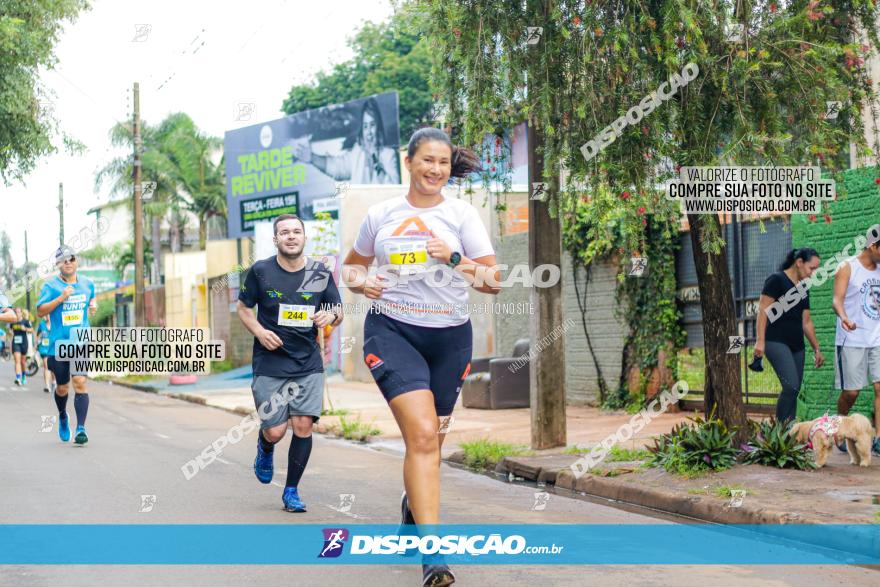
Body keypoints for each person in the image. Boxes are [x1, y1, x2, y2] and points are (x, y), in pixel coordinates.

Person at [342, 127, 500, 587]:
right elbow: (352, 266)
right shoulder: (382, 214)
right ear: (407, 161)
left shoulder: (461, 215)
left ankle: (414, 507)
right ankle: (434, 556)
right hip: (392, 331)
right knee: (425, 437)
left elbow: (492, 282)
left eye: (444, 163)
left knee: (432, 442)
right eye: (427, 160)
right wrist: (360, 283)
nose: (435, 170)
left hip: (449, 338)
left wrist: (454, 259)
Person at [237, 214, 342, 512]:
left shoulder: (318, 272)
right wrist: (259, 331)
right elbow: (243, 307)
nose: (292, 236)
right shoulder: (261, 271)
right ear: (276, 239)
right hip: (270, 363)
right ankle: (265, 445)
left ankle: (291, 491)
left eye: (297, 231)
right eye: (285, 232)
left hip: (307, 362)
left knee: (303, 425)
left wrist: (330, 316)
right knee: (276, 431)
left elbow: (337, 309)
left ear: (304, 237)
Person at [754, 248, 824, 424]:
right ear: (799, 262)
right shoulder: (776, 280)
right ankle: (779, 432)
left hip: (797, 345)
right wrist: (760, 341)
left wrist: (817, 348)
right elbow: (762, 312)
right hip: (775, 340)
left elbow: (806, 322)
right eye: (812, 268)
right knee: (791, 385)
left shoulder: (803, 288)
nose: (813, 273)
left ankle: (789, 436)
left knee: (795, 389)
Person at [37, 246, 97, 445]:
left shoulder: (88, 284)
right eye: (63, 260)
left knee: (80, 382)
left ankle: (81, 428)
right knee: (62, 388)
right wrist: (61, 298)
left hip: (79, 342)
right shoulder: (50, 286)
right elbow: (40, 311)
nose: (68, 262)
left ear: (76, 261)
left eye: (71, 259)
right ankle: (63, 415)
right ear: (58, 264)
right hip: (58, 346)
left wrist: (93, 305)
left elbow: (91, 298)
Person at [832, 229, 880, 455]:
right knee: (851, 392)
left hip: (877, 338)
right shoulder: (847, 267)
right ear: (873, 246)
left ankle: (878, 438)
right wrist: (844, 318)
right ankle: (839, 428)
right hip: (852, 338)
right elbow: (836, 300)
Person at [291, 97, 401, 184]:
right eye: (365, 127)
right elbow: (338, 168)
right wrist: (312, 158)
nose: (369, 132)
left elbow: (394, 187)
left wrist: (375, 160)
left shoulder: (388, 154)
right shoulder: (357, 151)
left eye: (372, 125)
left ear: (379, 127)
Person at [10, 307, 34, 386]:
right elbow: (10, 331)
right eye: (16, 312)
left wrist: (26, 329)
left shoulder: (26, 321)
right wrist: (10, 332)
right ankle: (18, 378)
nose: (17, 313)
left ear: (21, 313)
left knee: (23, 362)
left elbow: (32, 330)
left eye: (18, 312)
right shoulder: (12, 322)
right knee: (17, 361)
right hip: (15, 342)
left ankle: (23, 376)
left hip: (24, 343)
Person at [36, 318, 55, 393]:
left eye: (48, 314)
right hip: (44, 348)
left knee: (53, 367)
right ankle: (47, 386)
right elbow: (38, 335)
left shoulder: (56, 322)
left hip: (54, 348)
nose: (46, 316)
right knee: (46, 366)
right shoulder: (42, 324)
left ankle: (54, 382)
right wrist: (37, 343)